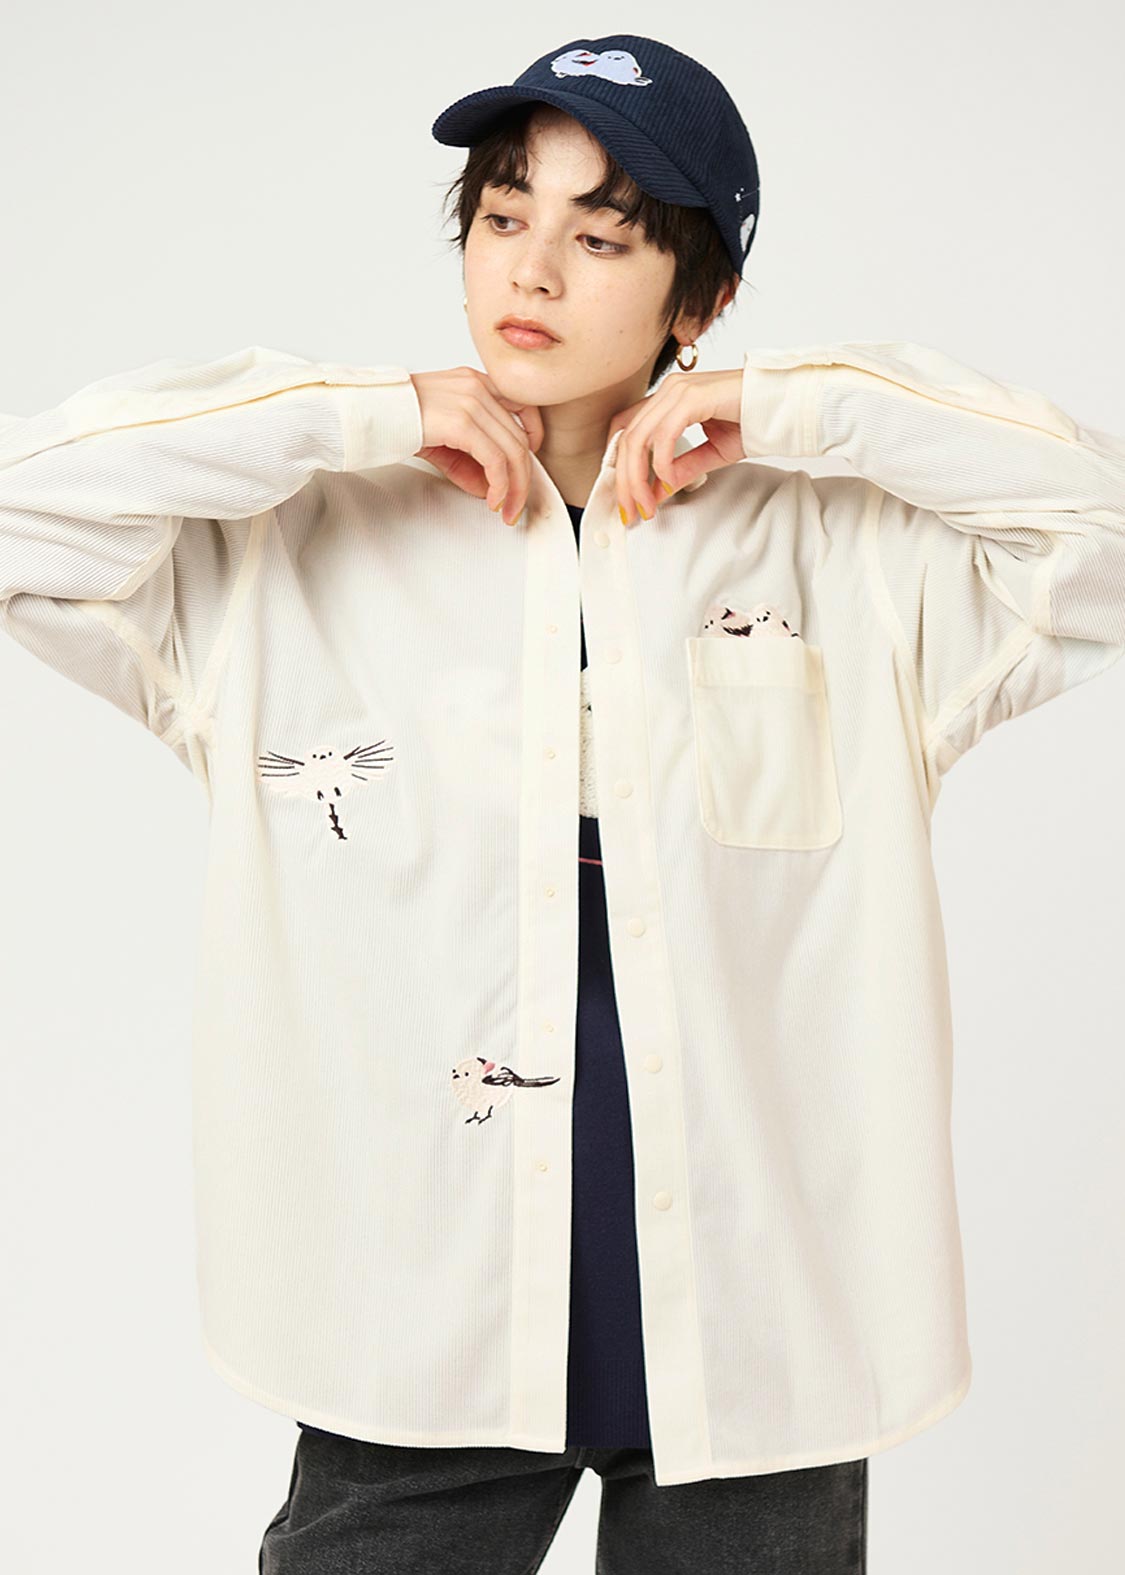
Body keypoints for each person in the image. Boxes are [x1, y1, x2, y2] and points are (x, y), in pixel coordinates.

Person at [2, 31, 1121, 1575]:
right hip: (421, 1323)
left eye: (602, 238)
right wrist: (351, 414)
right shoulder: (282, 557)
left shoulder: (850, 560)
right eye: (502, 215)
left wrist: (793, 409)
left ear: (699, 297)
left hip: (758, 1332)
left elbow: (1099, 532)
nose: (530, 269)